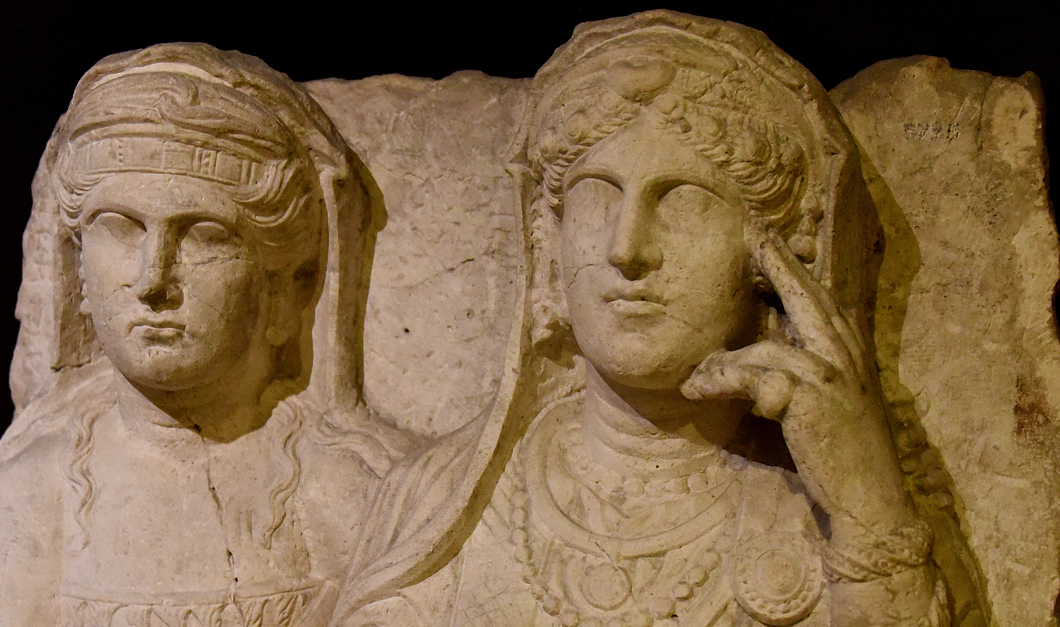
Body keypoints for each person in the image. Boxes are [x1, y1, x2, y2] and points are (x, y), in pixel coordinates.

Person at [335, 11, 949, 627]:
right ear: (549, 243)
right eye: (598, 193)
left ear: (772, 254)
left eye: (683, 200)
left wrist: (870, 514)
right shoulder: (434, 501)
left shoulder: (835, 517)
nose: (627, 248)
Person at [0, 43, 405, 627]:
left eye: (204, 233)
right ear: (79, 271)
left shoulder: (349, 488)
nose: (153, 280)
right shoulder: (39, 488)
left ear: (285, 286)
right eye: (120, 227)